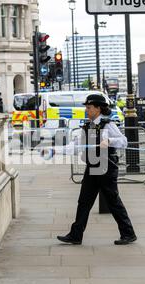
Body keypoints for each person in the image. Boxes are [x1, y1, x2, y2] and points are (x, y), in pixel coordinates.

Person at [43, 94, 137, 246]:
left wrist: (109, 141)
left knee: (113, 201)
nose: (86, 110)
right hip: (92, 167)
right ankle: (76, 235)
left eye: (88, 107)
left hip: (106, 167)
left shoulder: (108, 124)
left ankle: (128, 233)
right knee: (84, 201)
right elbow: (75, 147)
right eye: (86, 107)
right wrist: (54, 150)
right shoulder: (87, 126)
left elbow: (124, 141)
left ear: (98, 108)